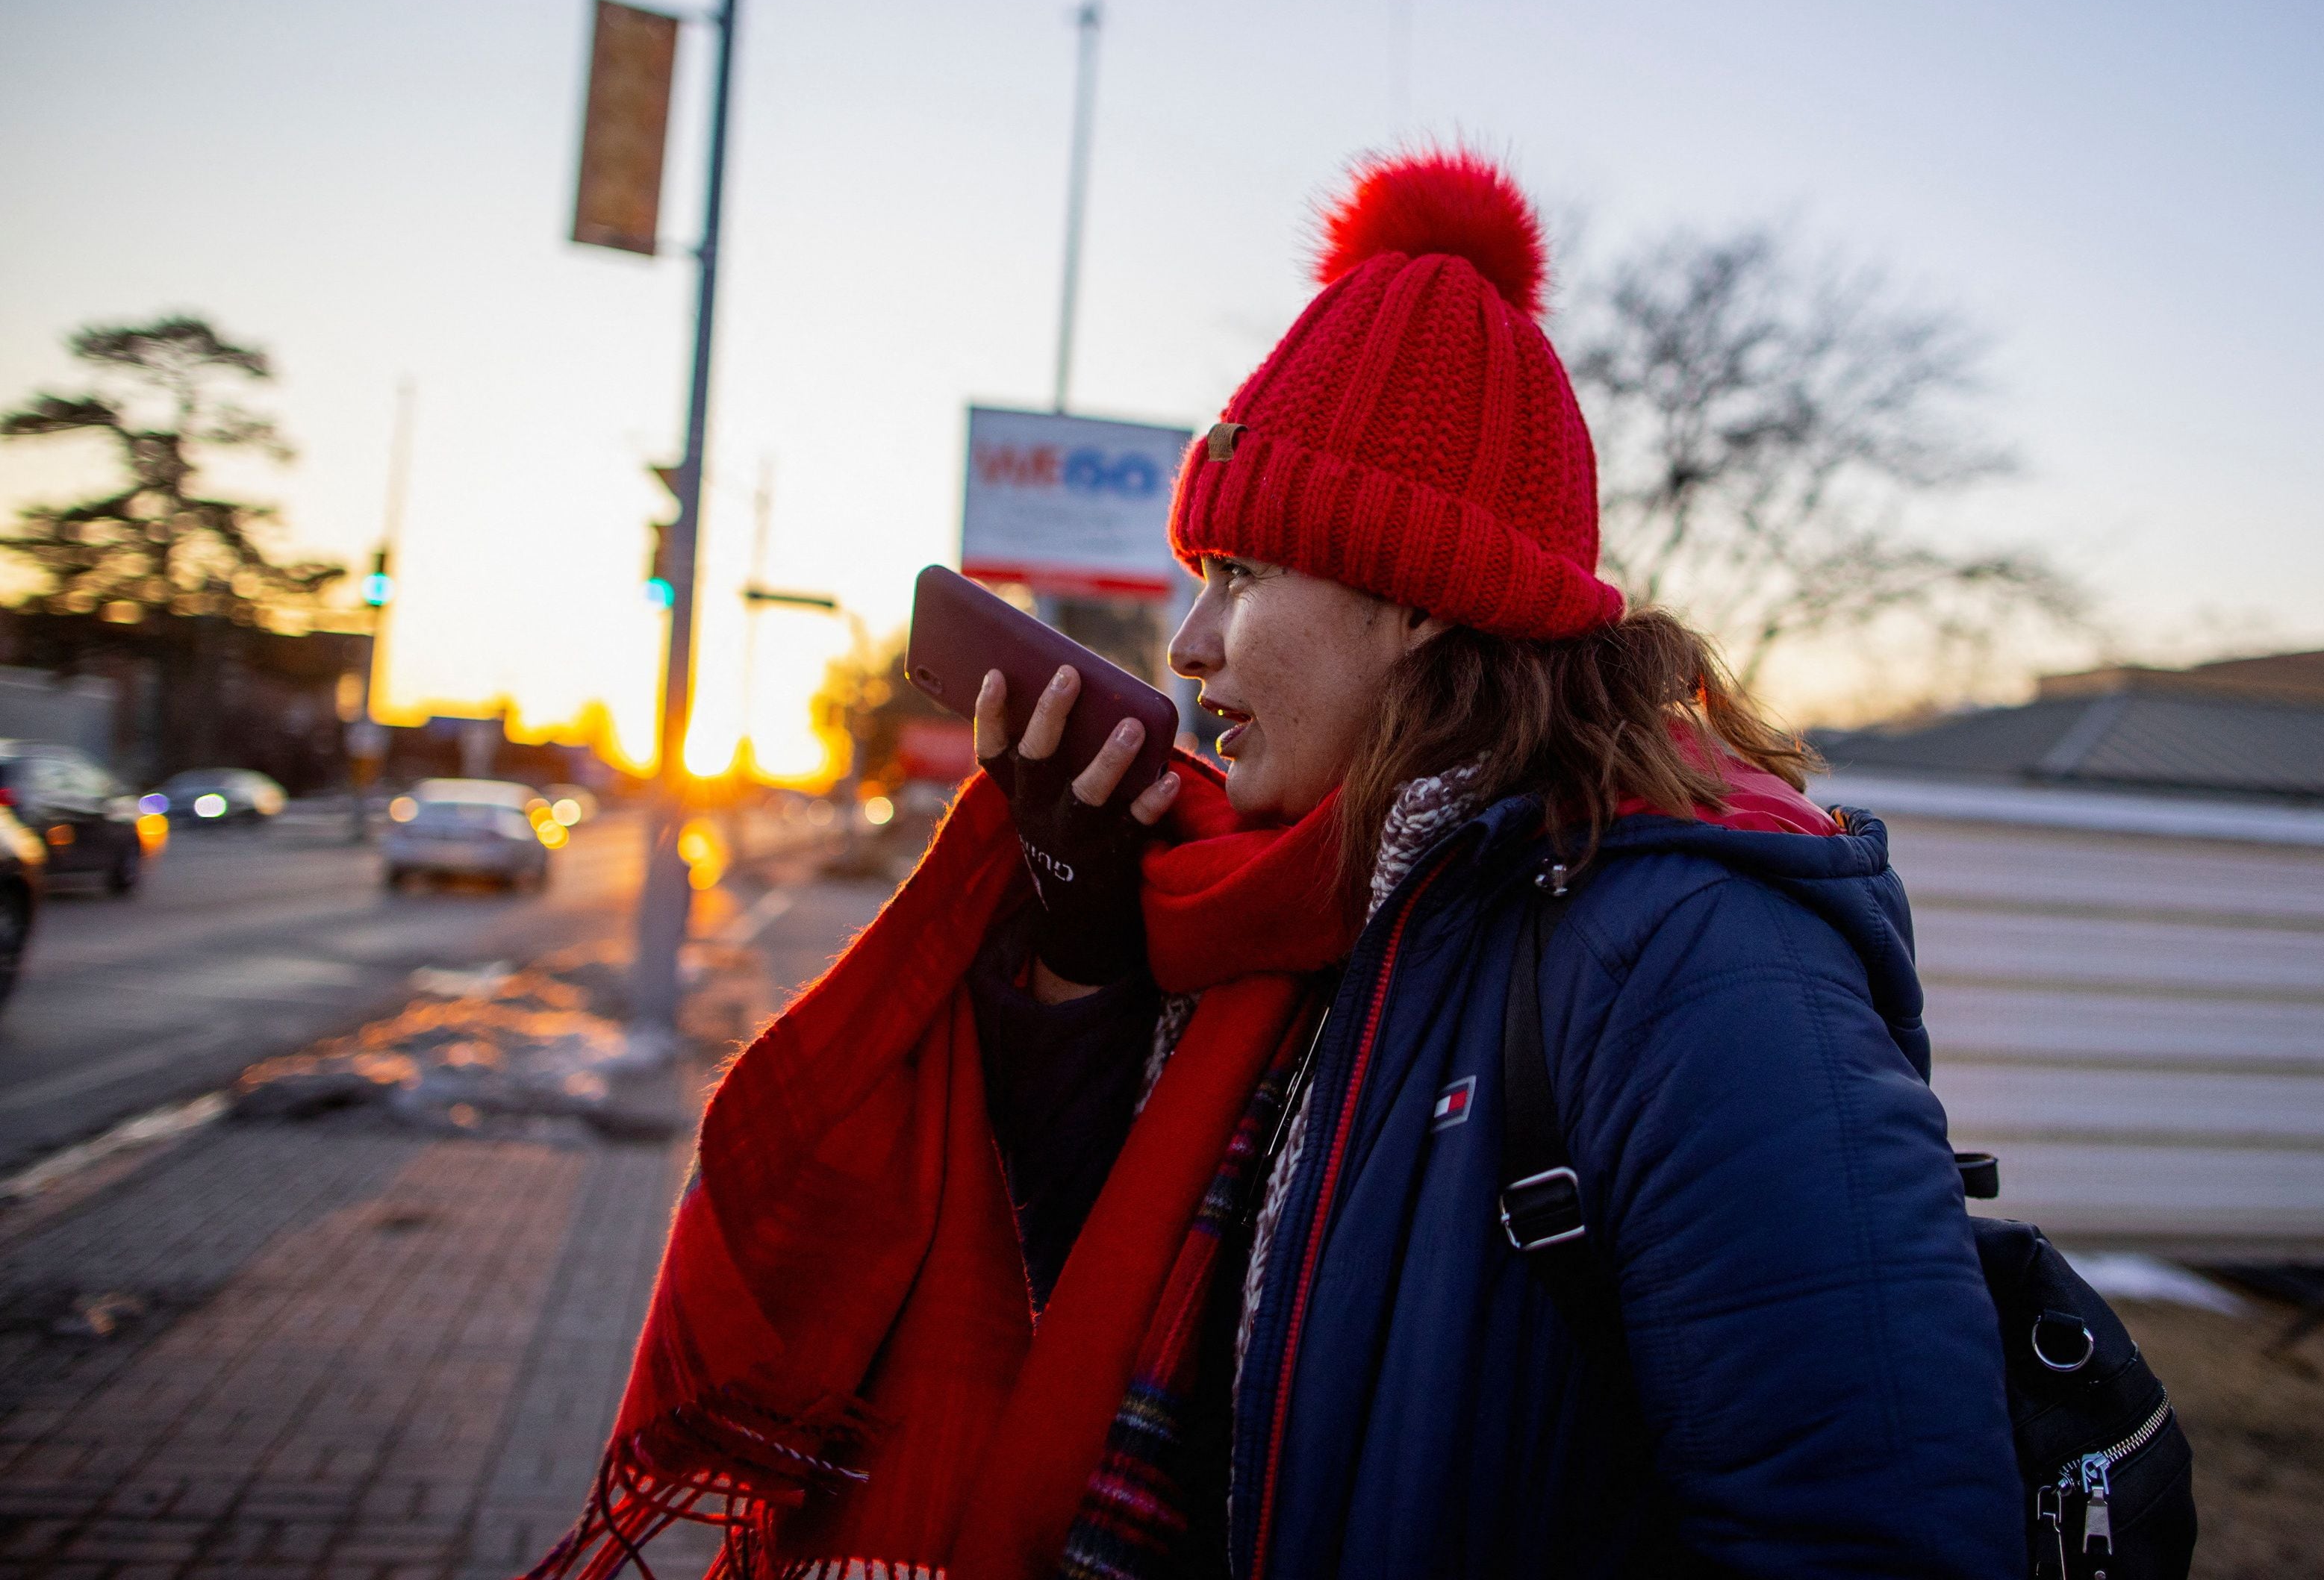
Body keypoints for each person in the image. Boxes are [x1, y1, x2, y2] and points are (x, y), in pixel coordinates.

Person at [529, 152, 2022, 1580]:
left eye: (1240, 575)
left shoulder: (1693, 954)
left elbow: (1873, 1529)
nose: (1186, 646)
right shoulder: (1295, 908)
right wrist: (1080, 956)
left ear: (1421, 597)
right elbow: (1118, 1302)